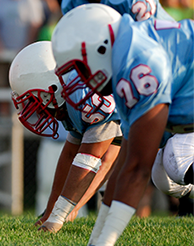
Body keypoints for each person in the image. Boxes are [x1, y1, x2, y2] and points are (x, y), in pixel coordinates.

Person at [50, 4, 193, 245]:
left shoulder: (139, 62)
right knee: (161, 173)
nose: (82, 80)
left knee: (176, 159)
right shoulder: (125, 54)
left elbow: (137, 169)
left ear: (100, 47)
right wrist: (96, 238)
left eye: (81, 69)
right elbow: (123, 166)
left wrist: (105, 241)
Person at [9, 41, 122, 233]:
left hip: (171, 125)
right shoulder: (69, 95)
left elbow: (96, 159)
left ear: (51, 86)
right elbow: (69, 154)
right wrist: (52, 210)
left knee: (171, 175)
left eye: (35, 100)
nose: (37, 109)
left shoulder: (84, 93)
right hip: (138, 133)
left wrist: (58, 217)